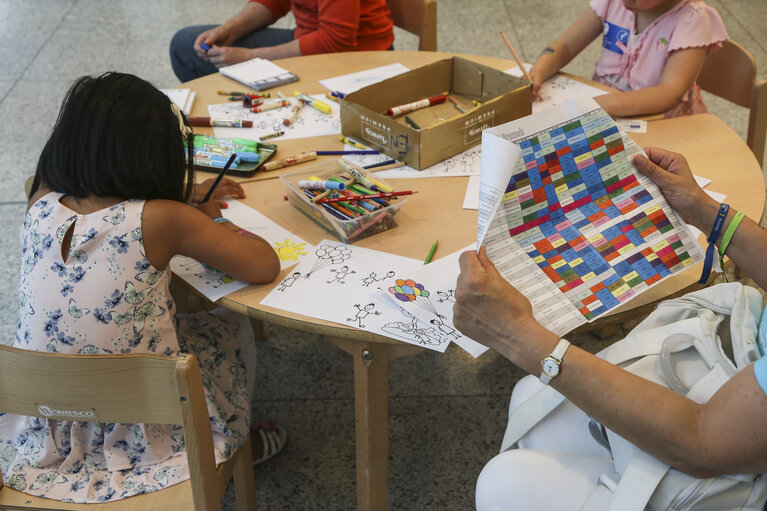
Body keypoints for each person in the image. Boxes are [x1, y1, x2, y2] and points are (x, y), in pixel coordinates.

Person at [0, 72, 282, 503]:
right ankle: (240, 437)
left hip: (44, 417)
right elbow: (264, 264)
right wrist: (209, 215)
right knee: (230, 326)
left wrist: (182, 200)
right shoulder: (166, 219)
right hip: (144, 430)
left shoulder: (39, 201)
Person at [453, 147, 767, 510]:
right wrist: (704, 210)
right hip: (739, 370)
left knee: (503, 485)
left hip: (723, 445)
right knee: (531, 402)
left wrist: (517, 335)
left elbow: (701, 443)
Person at [528, 0, 728, 118]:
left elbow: (669, 92)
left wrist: (603, 105)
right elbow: (566, 45)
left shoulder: (693, 19)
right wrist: (538, 71)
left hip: (662, 120)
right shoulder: (614, 3)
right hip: (603, 108)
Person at [170, 0, 395, 82]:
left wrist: (249, 58)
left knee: (191, 52)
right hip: (312, 41)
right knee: (184, 45)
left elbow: (335, 41)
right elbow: (276, 2)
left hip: (359, 57)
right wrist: (230, 30)